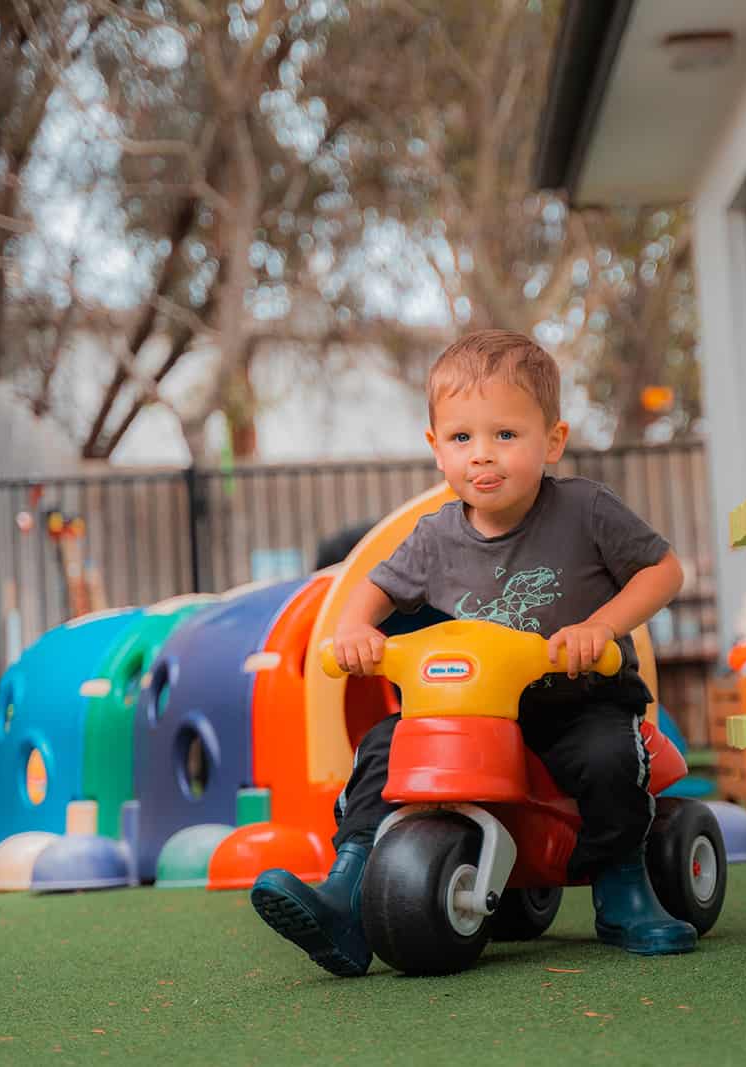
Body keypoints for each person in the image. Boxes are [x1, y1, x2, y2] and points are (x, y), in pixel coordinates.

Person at [251, 329, 695, 976]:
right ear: (436, 449)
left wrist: (599, 627)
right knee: (384, 745)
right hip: (480, 713)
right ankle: (347, 890)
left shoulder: (584, 509)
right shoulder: (433, 537)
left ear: (553, 440)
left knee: (609, 757)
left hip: (578, 702)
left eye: (506, 436)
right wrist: (354, 629)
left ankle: (624, 883)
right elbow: (374, 587)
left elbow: (664, 571)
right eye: (462, 438)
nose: (482, 456)